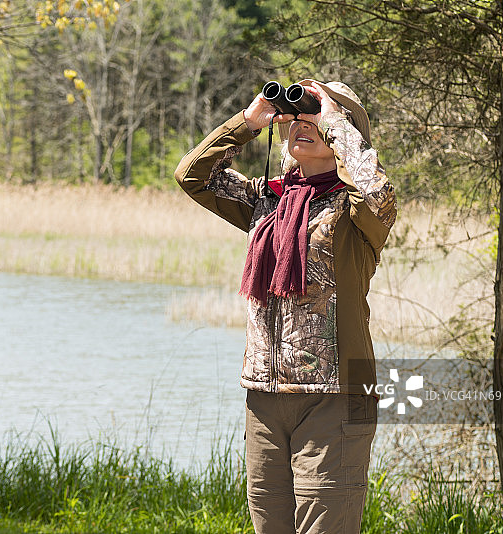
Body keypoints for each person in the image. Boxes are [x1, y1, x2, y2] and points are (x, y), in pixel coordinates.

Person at [174, 79, 396, 534]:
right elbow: (192, 176)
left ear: (344, 134)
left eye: (315, 113)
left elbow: (376, 192)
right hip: (265, 399)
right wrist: (249, 122)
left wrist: (331, 117)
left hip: (335, 398)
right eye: (294, 114)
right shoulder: (267, 200)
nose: (302, 121)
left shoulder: (357, 213)